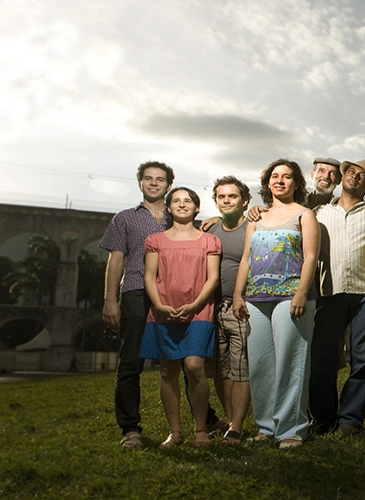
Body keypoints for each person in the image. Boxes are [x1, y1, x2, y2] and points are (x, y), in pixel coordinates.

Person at [233, 159, 320, 450]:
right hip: (255, 298)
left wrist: (301, 293)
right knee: (260, 364)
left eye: (286, 176)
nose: (279, 181)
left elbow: (310, 258)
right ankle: (265, 427)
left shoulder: (305, 215)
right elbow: (245, 258)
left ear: (297, 183)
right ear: (267, 182)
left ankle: (292, 429)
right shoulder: (255, 217)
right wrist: (237, 295)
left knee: (291, 362)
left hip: (291, 297)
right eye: (274, 176)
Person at [309, 158, 365, 436]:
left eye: (362, 176)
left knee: (363, 358)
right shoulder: (318, 212)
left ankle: (350, 421)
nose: (355, 177)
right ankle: (322, 419)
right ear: (342, 178)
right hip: (329, 292)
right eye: (351, 172)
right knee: (321, 358)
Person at [139, 187, 221, 448]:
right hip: (164, 311)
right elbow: (150, 276)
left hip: (199, 310)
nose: (182, 205)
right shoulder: (155, 240)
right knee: (167, 370)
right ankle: (175, 432)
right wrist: (159, 305)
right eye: (176, 201)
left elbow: (213, 277)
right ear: (169, 207)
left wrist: (196, 303)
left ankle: (200, 430)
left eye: (188, 201)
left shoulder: (209, 241)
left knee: (194, 366)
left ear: (197, 208)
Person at [100, 161, 174, 448]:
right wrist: (110, 300)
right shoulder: (125, 218)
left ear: (168, 185)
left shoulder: (179, 216)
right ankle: (130, 429)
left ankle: (200, 423)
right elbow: (114, 261)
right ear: (140, 183)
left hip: (173, 296)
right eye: (148, 179)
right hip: (135, 292)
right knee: (131, 362)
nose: (154, 183)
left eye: (160, 179)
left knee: (180, 359)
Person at [206, 176, 252, 445]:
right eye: (221, 197)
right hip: (213, 308)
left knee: (240, 367)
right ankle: (229, 419)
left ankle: (236, 426)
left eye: (232, 196)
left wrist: (240, 297)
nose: (226, 200)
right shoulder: (211, 231)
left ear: (244, 201)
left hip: (241, 306)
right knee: (220, 369)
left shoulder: (253, 227)